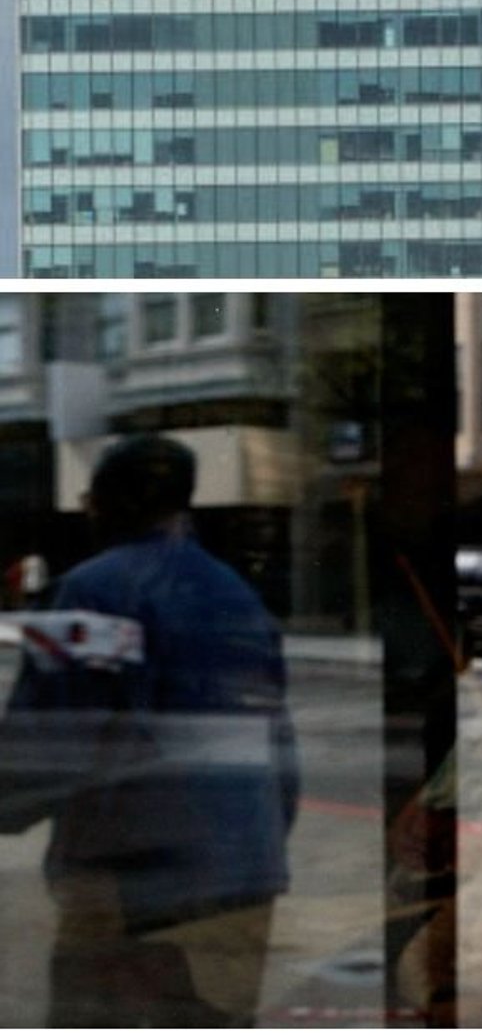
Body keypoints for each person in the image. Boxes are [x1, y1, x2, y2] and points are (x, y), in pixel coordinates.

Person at [2, 434, 299, 1026]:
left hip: (136, 880)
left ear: (111, 502)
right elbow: (274, 743)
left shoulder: (91, 590)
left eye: (92, 497)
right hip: (243, 871)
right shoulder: (236, 595)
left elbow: (50, 738)